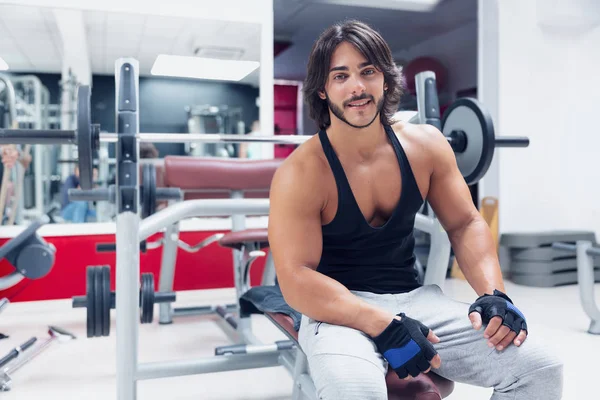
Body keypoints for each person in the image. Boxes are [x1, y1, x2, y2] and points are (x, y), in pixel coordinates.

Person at [268, 20, 562, 400]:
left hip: (416, 300)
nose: (356, 86)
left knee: (541, 367)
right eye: (340, 76)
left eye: (367, 71)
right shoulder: (302, 171)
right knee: (353, 389)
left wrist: (494, 295)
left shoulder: (425, 146)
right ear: (323, 91)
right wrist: (382, 324)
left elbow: (465, 223)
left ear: (386, 81)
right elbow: (295, 277)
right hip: (336, 308)